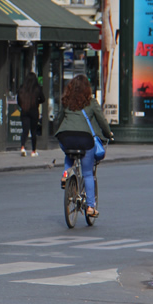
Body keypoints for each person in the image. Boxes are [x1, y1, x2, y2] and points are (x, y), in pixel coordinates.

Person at [54, 74, 112, 218]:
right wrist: (108, 133)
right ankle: (91, 207)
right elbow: (102, 121)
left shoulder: (66, 101)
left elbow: (58, 119)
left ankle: (65, 174)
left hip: (66, 137)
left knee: (69, 153)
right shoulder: (91, 102)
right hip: (85, 140)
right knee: (87, 173)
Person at [17, 72, 46, 157]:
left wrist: (22, 105)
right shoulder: (37, 88)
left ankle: (22, 147)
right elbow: (43, 99)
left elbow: (18, 100)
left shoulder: (22, 88)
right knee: (33, 131)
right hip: (34, 110)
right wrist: (37, 101)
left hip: (24, 110)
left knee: (25, 130)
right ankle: (33, 151)